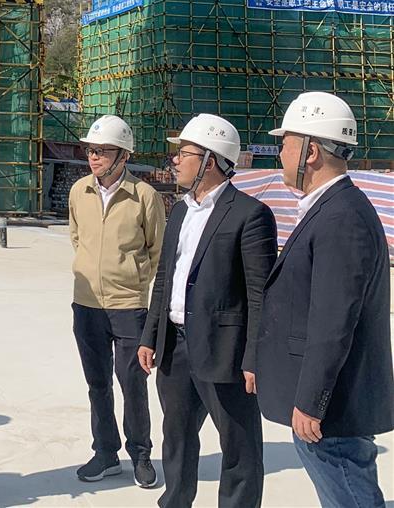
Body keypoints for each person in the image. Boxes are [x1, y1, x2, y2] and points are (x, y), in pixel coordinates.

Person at [257, 92, 394, 507]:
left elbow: (333, 322)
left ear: (311, 152)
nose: (280, 154)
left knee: (350, 496)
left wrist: (311, 402)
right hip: (330, 403)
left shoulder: (341, 217)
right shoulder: (332, 208)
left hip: (333, 409)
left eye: (285, 144)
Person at [137, 114, 277, 508]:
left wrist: (254, 358)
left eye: (183, 153)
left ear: (210, 161)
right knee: (177, 438)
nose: (175, 160)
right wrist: (151, 336)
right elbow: (165, 278)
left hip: (225, 352)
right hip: (176, 348)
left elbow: (260, 296)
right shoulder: (181, 211)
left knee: (239, 446)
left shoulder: (250, 214)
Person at [68, 115, 164, 488]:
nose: (94, 157)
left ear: (123, 155)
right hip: (87, 304)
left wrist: (133, 281)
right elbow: (77, 237)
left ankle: (140, 455)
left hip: (129, 307)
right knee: (97, 383)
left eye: (103, 151)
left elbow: (156, 250)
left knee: (133, 383)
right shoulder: (79, 192)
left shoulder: (144, 196)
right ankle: (105, 453)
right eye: (90, 150)